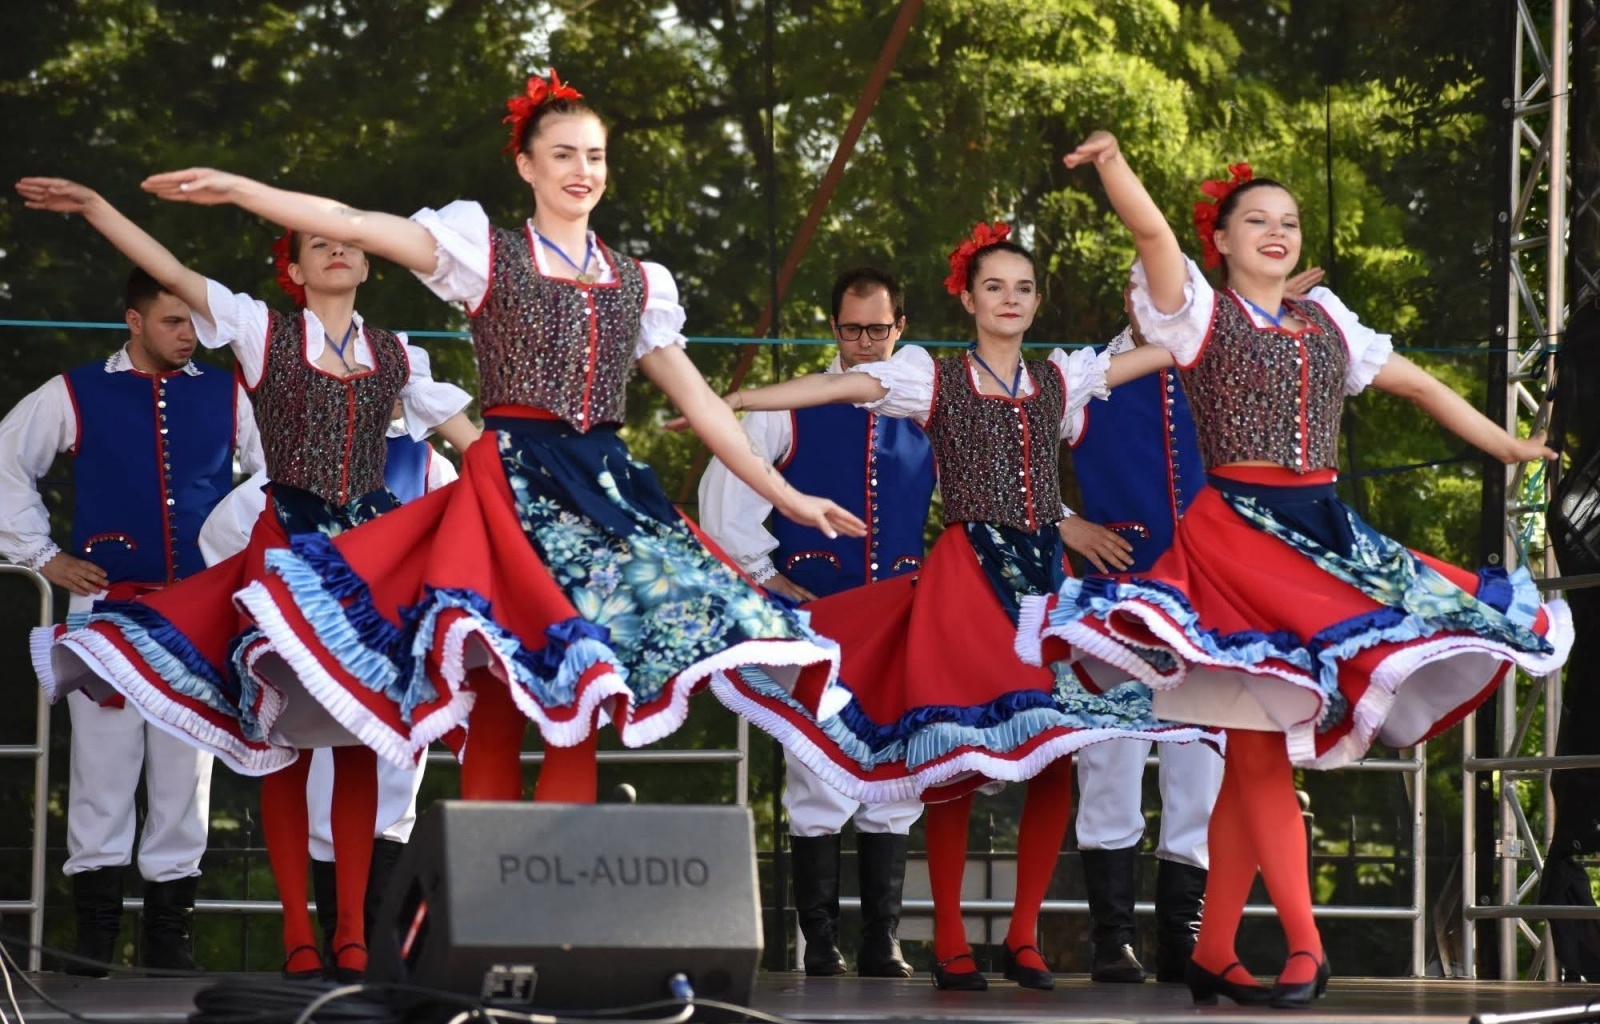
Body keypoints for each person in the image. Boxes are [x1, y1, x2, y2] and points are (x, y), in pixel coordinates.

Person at [133, 69, 863, 807]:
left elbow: (702, 403)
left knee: (577, 704)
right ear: (527, 165)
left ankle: (559, 913)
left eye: (595, 155)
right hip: (510, 489)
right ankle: (497, 910)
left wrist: (786, 495)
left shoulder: (640, 284)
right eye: (565, 155)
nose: (583, 171)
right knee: (500, 710)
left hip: (603, 493)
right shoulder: (486, 251)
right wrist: (242, 190)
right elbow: (353, 221)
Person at [1022, 141, 1573, 1007]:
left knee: (1256, 749)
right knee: (1260, 750)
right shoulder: (1200, 315)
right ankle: (1306, 946)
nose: (1276, 233)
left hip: (1321, 542)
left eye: (1288, 222)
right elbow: (1154, 232)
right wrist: (1116, 166)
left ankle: (1211, 951)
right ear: (1224, 242)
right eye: (1256, 222)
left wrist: (1507, 445)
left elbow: (1422, 386)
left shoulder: (1330, 325)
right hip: (1236, 547)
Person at [701, 209, 1214, 991]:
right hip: (966, 571)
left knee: (1054, 750)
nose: (1011, 299)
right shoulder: (927, 377)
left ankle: (1023, 937)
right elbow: (841, 384)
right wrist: (733, 403)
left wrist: (1257, 303)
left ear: (1036, 301)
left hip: (1041, 578)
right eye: (995, 286)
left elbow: (1173, 343)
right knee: (951, 748)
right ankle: (942, 939)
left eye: (1024, 288)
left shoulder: (1061, 377)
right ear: (968, 299)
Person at [17, 175, 477, 982]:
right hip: (287, 551)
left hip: (362, 564)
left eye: (350, 242)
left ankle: (353, 940)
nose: (337, 250)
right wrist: (96, 211)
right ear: (293, 269)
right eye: (317, 243)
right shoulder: (264, 333)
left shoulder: (402, 354)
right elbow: (172, 268)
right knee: (282, 742)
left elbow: (473, 448)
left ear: (369, 264)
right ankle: (300, 934)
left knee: (365, 740)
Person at [2, 267, 263, 974]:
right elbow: (6, 459)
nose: (190, 335)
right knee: (100, 772)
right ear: (135, 320)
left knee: (187, 772)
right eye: (175, 321)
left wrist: (236, 563)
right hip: (105, 605)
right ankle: (91, 944)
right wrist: (44, 556)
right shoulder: (77, 390)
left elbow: (274, 482)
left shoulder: (229, 393)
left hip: (196, 612)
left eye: (195, 323)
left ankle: (169, 944)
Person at [1065, 268, 1321, 985]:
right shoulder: (1092, 374)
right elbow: (1006, 439)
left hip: (1208, 603)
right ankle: (1112, 937)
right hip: (1117, 598)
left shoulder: (1219, 360)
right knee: (1109, 762)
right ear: (1126, 298)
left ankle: (1187, 937)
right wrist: (1068, 523)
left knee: (1201, 770)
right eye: (1144, 289)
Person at [698, 268, 930, 978]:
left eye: (878, 329)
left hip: (898, 618)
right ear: (833, 328)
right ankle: (820, 942)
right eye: (852, 329)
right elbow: (724, 493)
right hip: (817, 619)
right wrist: (770, 578)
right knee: (817, 779)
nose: (864, 343)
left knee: (897, 778)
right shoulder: (784, 409)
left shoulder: (925, 407)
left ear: (901, 329)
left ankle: (881, 938)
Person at [198, 408, 456, 963]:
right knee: (288, 760)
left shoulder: (427, 461)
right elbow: (221, 532)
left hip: (381, 642)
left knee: (374, 769)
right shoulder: (295, 462)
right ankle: (301, 936)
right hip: (298, 636)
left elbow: (455, 542)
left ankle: (356, 935)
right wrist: (256, 606)